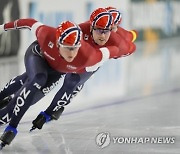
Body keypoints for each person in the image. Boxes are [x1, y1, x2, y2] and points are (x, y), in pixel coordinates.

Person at [0, 17, 120, 148]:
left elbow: (115, 50)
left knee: (17, 106)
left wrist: (48, 113)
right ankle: (10, 119)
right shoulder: (46, 33)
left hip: (56, 72)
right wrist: (2, 27)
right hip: (38, 56)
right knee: (37, 78)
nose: (72, 53)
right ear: (58, 43)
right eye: (68, 48)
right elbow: (27, 23)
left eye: (75, 48)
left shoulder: (88, 57)